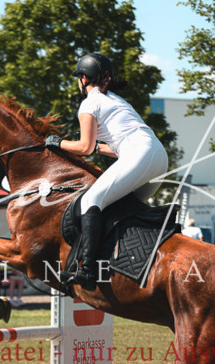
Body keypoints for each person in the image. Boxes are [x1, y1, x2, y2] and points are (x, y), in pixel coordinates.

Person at [46, 52, 168, 289]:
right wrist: (99, 149)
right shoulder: (115, 99)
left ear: (83, 77)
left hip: (140, 154)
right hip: (158, 157)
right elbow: (113, 146)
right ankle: (126, 260)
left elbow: (84, 147)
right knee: (118, 209)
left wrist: (57, 143)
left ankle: (88, 271)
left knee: (91, 200)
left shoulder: (89, 102)